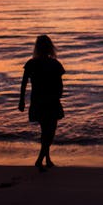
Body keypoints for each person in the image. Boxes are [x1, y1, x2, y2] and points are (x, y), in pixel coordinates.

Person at [19, 35, 65, 172]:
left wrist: (21, 100)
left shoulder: (31, 63)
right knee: (49, 131)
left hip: (38, 100)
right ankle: (40, 160)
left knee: (46, 130)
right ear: (50, 47)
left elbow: (23, 84)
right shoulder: (55, 64)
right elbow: (60, 85)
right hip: (51, 100)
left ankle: (47, 159)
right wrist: (58, 98)